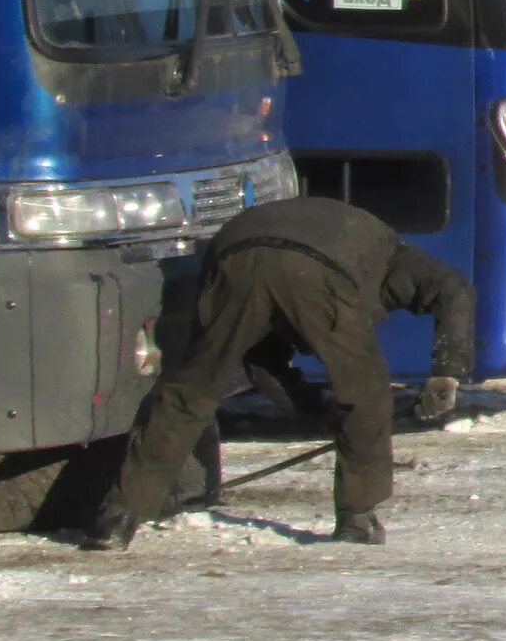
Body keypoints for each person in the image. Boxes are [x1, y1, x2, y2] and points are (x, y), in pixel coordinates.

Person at [86, 197, 473, 550]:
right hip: (315, 265)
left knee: (191, 391)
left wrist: (307, 408)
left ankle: (119, 515)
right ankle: (357, 518)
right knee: (367, 393)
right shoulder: (392, 255)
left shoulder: (351, 237)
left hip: (233, 257)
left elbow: (262, 363)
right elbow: (456, 290)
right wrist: (446, 374)